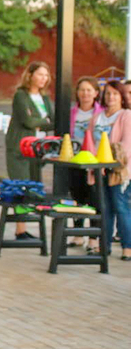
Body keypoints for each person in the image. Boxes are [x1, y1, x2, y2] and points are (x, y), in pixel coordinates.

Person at [5, 61, 54, 240]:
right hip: (18, 148)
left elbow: (54, 121)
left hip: (37, 149)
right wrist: (44, 120)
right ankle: (20, 228)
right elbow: (27, 121)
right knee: (20, 184)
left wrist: (42, 120)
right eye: (40, 74)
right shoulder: (21, 96)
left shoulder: (45, 99)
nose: (43, 78)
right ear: (30, 75)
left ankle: (29, 226)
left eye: (46, 75)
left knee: (34, 186)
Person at [84, 81, 131, 258]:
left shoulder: (126, 115)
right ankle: (105, 246)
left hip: (118, 170)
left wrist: (108, 163)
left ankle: (128, 247)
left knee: (121, 207)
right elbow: (89, 141)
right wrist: (95, 164)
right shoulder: (97, 117)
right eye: (108, 94)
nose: (111, 97)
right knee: (104, 209)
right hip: (97, 169)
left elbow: (127, 144)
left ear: (121, 97)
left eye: (115, 94)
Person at [68, 76, 102, 246]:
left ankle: (93, 238)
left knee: (94, 198)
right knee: (77, 197)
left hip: (93, 163)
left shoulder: (100, 113)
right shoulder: (72, 112)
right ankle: (77, 234)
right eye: (82, 90)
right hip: (74, 161)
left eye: (89, 90)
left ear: (96, 93)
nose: (85, 94)